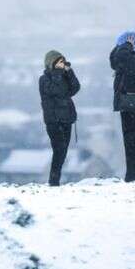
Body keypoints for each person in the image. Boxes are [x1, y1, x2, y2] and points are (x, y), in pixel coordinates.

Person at [109, 31, 135, 182]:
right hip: (127, 104)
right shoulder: (124, 60)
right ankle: (133, 174)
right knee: (130, 140)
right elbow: (114, 60)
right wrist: (119, 46)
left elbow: (121, 58)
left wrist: (126, 44)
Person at [39, 50, 81, 186]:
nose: (63, 64)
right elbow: (55, 91)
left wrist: (70, 72)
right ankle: (54, 180)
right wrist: (59, 73)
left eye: (63, 61)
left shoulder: (64, 76)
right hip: (54, 120)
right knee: (59, 149)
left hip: (66, 118)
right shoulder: (44, 79)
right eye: (60, 62)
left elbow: (75, 88)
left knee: (63, 150)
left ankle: (55, 179)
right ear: (52, 63)